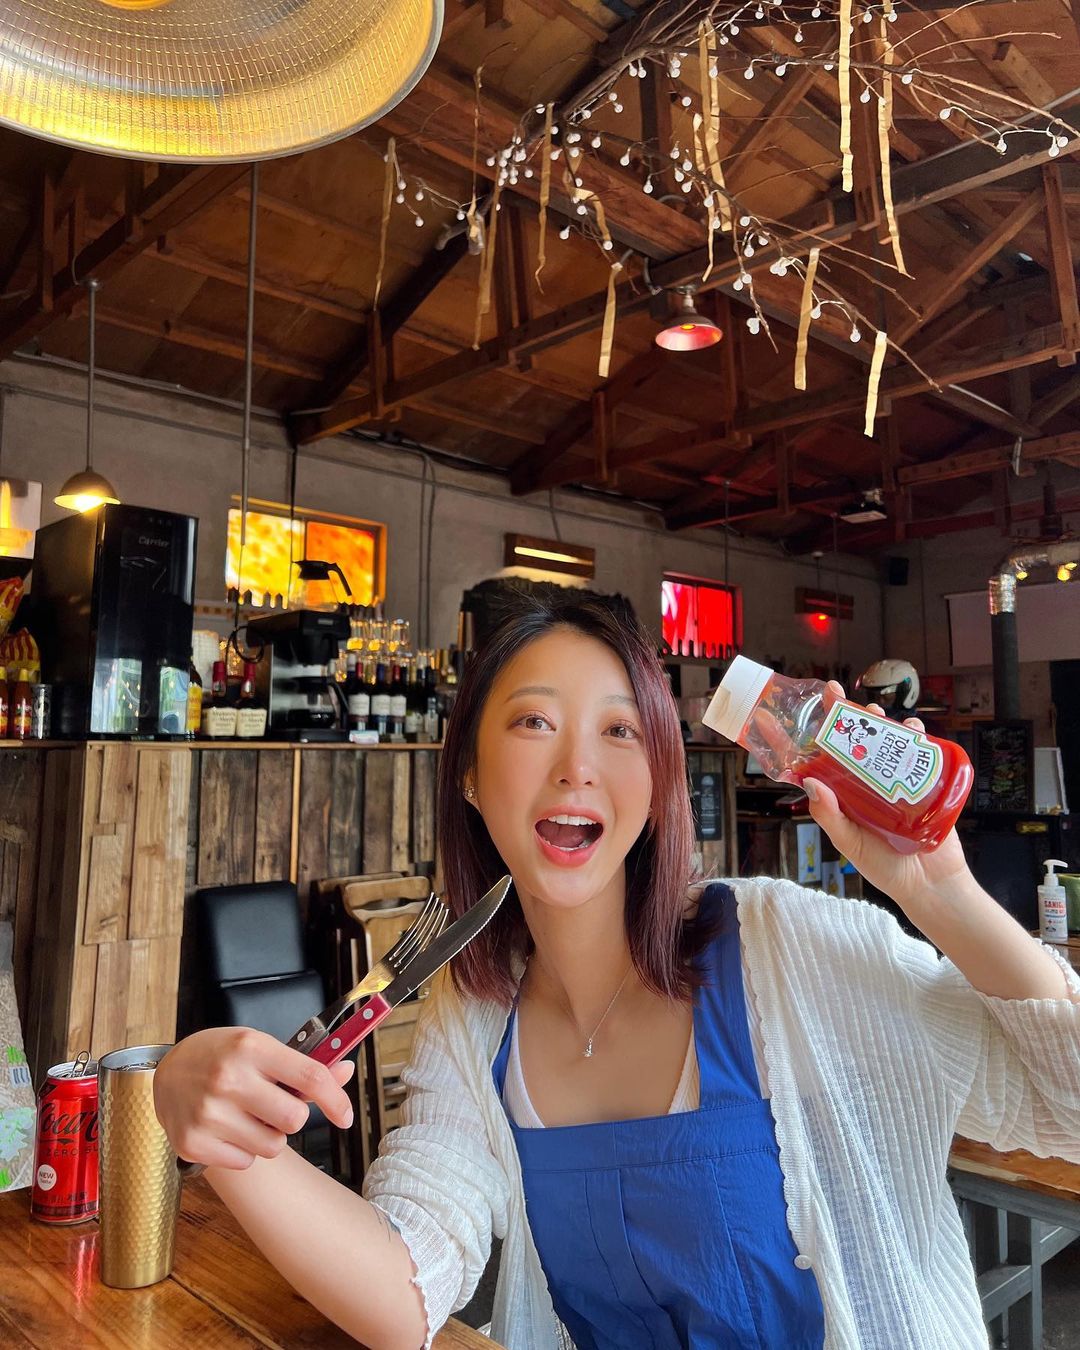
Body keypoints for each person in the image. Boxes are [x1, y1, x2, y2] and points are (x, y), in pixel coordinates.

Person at [154, 593, 1080, 1350]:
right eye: (534, 722)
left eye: (620, 731)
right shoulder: (471, 1019)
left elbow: (1065, 1113)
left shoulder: (784, 948)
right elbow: (404, 1289)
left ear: (660, 781)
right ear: (469, 774)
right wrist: (225, 1136)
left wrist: (941, 892)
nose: (577, 767)